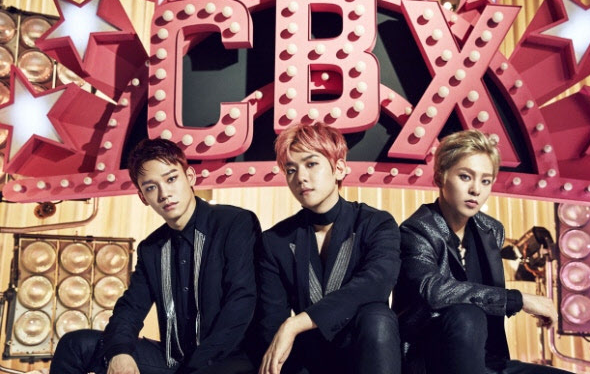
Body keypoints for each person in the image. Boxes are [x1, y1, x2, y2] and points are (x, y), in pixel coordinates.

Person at [51, 139, 261, 374]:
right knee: (76, 345)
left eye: (171, 179)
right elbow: (130, 308)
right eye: (151, 187)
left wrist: (197, 366)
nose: (164, 194)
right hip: (175, 362)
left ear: (189, 177)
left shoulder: (233, 223)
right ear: (143, 197)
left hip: (228, 361)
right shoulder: (152, 248)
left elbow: (241, 302)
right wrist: (119, 352)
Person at [393, 129, 571, 374]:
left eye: (485, 181)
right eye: (465, 177)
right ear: (440, 177)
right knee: (467, 315)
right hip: (431, 362)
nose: (476, 189)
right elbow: (434, 291)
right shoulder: (416, 230)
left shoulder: (491, 230)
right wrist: (518, 299)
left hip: (486, 360)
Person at [254, 122, 401, 374]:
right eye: (291, 170)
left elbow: (375, 284)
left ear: (339, 169)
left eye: (311, 164)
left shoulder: (376, 223)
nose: (300, 177)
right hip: (308, 362)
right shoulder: (275, 241)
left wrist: (296, 323)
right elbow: (272, 322)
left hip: (365, 354)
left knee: (377, 317)